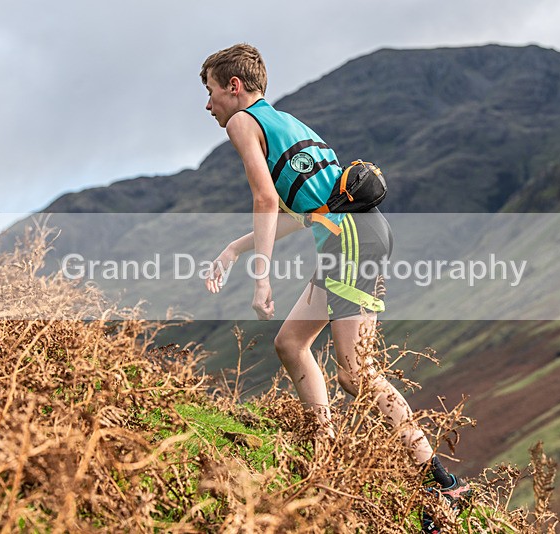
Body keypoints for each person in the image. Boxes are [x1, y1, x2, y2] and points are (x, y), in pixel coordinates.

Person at [200, 43, 470, 532]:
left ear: (234, 88)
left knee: (356, 373)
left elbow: (264, 198)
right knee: (291, 343)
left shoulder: (244, 123)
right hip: (359, 235)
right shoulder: (289, 124)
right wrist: (237, 250)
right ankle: (326, 452)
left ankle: (441, 484)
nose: (209, 105)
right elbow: (304, 213)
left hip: (350, 242)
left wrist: (261, 277)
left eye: (211, 92)